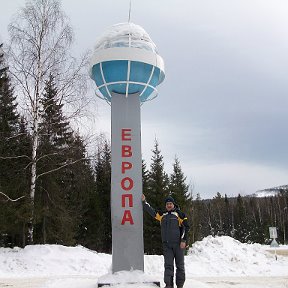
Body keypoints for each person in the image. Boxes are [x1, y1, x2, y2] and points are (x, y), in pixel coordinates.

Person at [142, 194, 190, 288]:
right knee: (168, 266)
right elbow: (152, 212)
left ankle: (180, 285)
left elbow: (186, 227)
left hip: (178, 245)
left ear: (173, 204)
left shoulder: (179, 214)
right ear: (165, 205)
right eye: (167, 204)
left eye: (170, 204)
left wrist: (183, 240)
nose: (169, 205)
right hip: (167, 246)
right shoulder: (162, 215)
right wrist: (144, 202)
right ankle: (169, 285)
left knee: (180, 266)